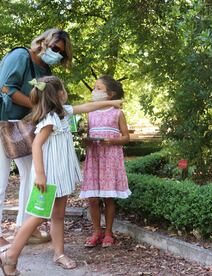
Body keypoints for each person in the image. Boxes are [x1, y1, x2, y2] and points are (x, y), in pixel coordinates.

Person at [0, 76, 123, 274]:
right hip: (48, 177)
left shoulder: (63, 113)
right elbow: (37, 145)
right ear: (59, 94)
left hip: (60, 175)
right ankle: (10, 256)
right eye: (64, 89)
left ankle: (59, 254)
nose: (66, 92)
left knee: (58, 216)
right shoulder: (49, 119)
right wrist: (40, 175)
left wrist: (111, 103)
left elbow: (87, 107)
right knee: (38, 216)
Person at [0, 28, 73, 246]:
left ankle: (25, 228)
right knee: (1, 180)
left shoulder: (45, 68)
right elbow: (6, 89)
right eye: (55, 48)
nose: (57, 54)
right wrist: (38, 106)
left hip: (24, 127)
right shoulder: (20, 56)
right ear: (43, 41)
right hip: (3, 122)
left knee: (32, 178)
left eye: (61, 53)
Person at [81, 75, 130, 248]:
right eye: (94, 88)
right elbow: (88, 135)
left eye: (98, 88)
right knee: (93, 198)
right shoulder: (91, 113)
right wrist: (85, 141)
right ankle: (96, 232)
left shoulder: (118, 113)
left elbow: (126, 137)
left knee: (109, 197)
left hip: (110, 159)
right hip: (94, 158)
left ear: (111, 94)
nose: (94, 91)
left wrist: (113, 141)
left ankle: (109, 233)